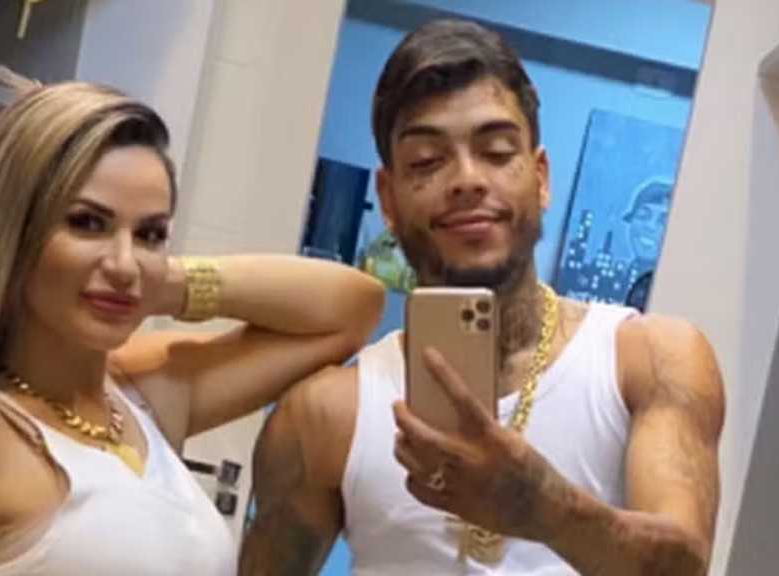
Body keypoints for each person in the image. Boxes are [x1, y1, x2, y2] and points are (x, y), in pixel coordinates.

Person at [0, 81, 385, 576]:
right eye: (87, 223)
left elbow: (349, 311)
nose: (124, 262)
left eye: (150, 233)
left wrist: (160, 279)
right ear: (13, 235)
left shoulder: (144, 395)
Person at [240, 19, 725, 576]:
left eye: (495, 151)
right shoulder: (327, 414)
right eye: (427, 161)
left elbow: (687, 563)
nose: (467, 179)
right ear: (388, 200)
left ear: (540, 177)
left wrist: (545, 509)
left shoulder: (649, 361)